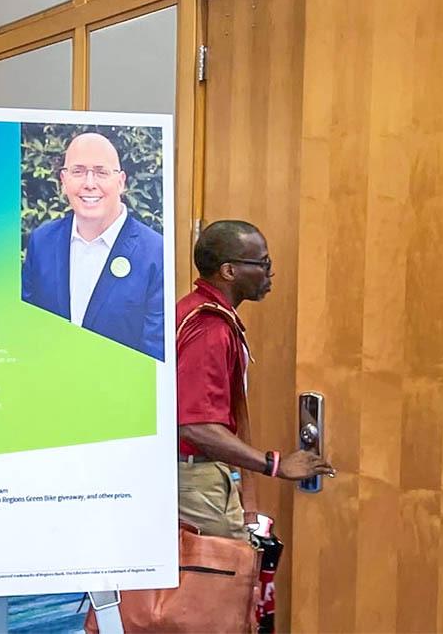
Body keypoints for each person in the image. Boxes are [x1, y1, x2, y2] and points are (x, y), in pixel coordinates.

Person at [176, 220, 335, 541]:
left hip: (196, 473)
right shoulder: (209, 329)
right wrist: (274, 464)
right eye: (262, 264)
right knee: (220, 582)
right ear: (229, 272)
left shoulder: (198, 312)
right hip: (195, 479)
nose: (269, 273)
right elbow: (195, 426)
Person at [21, 132, 165, 360]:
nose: (89, 184)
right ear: (63, 181)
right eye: (78, 172)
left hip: (121, 392)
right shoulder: (42, 242)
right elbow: (26, 329)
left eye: (101, 172)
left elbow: (155, 350)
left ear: (121, 182)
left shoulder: (156, 252)